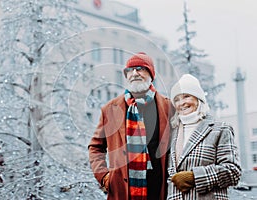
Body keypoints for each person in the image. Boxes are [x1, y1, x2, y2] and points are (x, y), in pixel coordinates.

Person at [88, 52, 173, 200]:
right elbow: (96, 147)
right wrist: (103, 176)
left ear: (151, 74)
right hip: (122, 191)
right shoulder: (110, 109)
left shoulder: (168, 106)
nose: (134, 73)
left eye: (140, 68)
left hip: (159, 190)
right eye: (129, 70)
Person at [167, 74, 242, 199]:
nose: (182, 103)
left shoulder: (220, 129)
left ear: (198, 99)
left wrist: (195, 177)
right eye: (177, 99)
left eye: (186, 96)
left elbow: (233, 171)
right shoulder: (172, 132)